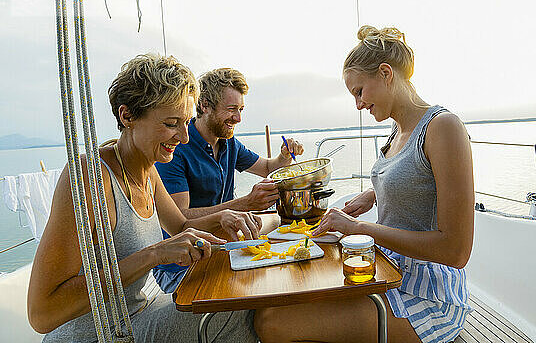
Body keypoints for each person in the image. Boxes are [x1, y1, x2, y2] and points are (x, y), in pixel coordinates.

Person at [254, 26, 475, 343]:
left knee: (273, 323)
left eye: (359, 91)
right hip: (387, 273)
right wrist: (373, 194)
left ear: (386, 73)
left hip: (427, 295)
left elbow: (455, 252)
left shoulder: (443, 127)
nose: (358, 104)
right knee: (276, 305)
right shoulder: (397, 132)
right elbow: (417, 175)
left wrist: (358, 227)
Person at [28, 54, 269, 342]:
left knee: (241, 291)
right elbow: (42, 313)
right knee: (236, 310)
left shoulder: (147, 168)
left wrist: (223, 217)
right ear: (127, 116)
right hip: (102, 333)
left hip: (144, 310)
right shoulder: (89, 177)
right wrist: (154, 254)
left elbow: (179, 227)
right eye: (171, 123)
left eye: (187, 122)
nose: (184, 138)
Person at [154, 67, 304, 293]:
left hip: (224, 247)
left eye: (241, 109)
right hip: (180, 266)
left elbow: (267, 168)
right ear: (205, 105)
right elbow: (178, 219)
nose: (238, 118)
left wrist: (284, 156)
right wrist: (245, 204)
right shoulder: (175, 148)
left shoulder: (228, 143)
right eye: (232, 109)